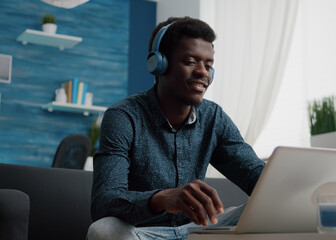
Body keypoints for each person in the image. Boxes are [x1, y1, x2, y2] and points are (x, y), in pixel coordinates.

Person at [87, 16, 265, 240]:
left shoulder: (214, 117)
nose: (203, 72)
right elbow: (104, 201)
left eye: (209, 65)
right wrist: (161, 198)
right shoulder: (123, 117)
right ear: (159, 64)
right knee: (103, 231)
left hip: (195, 231)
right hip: (141, 233)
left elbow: (254, 175)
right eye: (191, 61)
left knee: (259, 214)